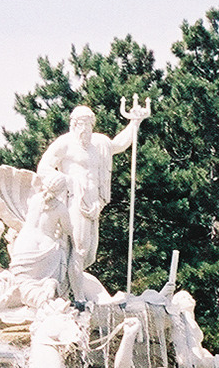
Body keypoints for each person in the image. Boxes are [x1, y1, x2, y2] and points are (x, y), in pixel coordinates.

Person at [36, 101, 149, 301]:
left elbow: (119, 145)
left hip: (93, 205)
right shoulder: (65, 143)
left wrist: (134, 123)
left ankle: (68, 290)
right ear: (73, 125)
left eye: (88, 124)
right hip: (73, 203)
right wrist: (63, 180)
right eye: (81, 124)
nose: (85, 129)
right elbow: (43, 167)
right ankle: (78, 300)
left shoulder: (99, 144)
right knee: (78, 251)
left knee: (88, 255)